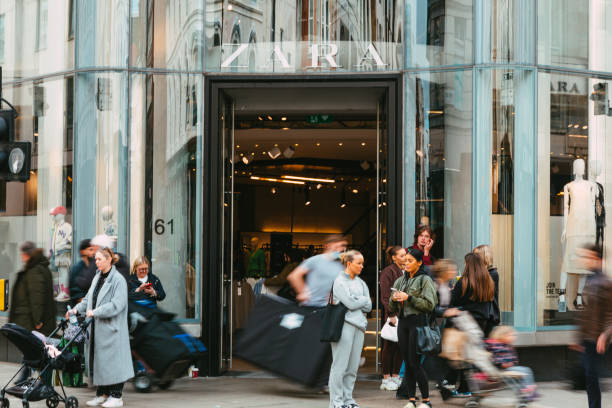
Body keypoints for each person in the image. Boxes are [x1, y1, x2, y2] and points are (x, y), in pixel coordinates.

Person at [67, 247, 134, 408]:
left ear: (109, 259)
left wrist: (96, 312)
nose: (96, 262)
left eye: (99, 259)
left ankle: (116, 396)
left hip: (112, 329)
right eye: (95, 259)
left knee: (113, 364)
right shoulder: (98, 277)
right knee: (100, 363)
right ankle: (102, 394)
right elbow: (89, 298)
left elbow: (117, 305)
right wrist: (76, 309)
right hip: (98, 328)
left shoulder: (118, 280)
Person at [389, 248, 438, 408]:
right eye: (405, 261)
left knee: (414, 362)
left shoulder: (425, 280)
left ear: (419, 262)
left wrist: (409, 297)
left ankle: (426, 401)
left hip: (417, 323)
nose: (406, 264)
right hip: (403, 323)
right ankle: (411, 399)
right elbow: (391, 305)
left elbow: (430, 305)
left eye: (410, 261)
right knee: (408, 362)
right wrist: (395, 299)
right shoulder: (400, 280)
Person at [328, 250, 371, 408]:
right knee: (340, 366)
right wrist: (361, 300)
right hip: (343, 326)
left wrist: (357, 300)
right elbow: (352, 304)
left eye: (362, 263)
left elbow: (369, 305)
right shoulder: (339, 281)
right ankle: (336, 402)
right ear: (349, 264)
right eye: (359, 263)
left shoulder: (361, 283)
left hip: (359, 326)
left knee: (352, 367)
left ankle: (348, 400)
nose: (362, 266)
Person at [9, 241, 56, 384]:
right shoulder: (39, 267)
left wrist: (37, 321)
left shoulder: (35, 269)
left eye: (22, 254)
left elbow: (37, 297)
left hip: (36, 321)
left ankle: (41, 382)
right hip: (35, 319)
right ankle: (29, 378)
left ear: (26, 255)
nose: (21, 257)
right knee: (36, 350)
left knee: (38, 350)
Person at [573, 244, 612, 408]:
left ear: (598, 259)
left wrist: (604, 335)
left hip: (598, 339)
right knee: (590, 377)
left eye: (588, 257)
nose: (585, 260)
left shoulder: (605, 282)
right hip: (588, 338)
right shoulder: (590, 279)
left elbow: (610, 314)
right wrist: (578, 338)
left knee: (592, 376)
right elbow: (586, 313)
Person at [288, 235, 347, 307]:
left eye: (344, 246)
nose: (343, 248)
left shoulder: (340, 265)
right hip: (311, 305)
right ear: (329, 245)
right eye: (341, 245)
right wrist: (302, 292)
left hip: (328, 307)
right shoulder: (315, 260)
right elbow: (294, 276)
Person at [447, 253, 497, 337]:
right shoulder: (488, 281)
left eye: (465, 263)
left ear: (468, 264)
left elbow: (454, 301)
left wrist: (452, 291)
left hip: (466, 320)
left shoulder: (464, 281)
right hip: (482, 320)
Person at [379, 245, 406, 391]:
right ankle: (385, 378)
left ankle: (395, 375)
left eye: (405, 255)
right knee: (389, 346)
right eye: (401, 255)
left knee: (400, 346)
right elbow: (384, 296)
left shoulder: (406, 270)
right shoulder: (388, 272)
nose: (405, 258)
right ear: (394, 257)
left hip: (405, 313)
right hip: (393, 313)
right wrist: (391, 314)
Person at [485, 326, 537, 401]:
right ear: (502, 335)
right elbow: (492, 358)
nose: (514, 337)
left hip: (509, 367)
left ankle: (527, 390)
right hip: (501, 368)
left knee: (526, 371)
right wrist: (500, 364)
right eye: (511, 335)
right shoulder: (495, 345)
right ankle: (526, 390)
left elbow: (513, 357)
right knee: (526, 371)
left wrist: (513, 363)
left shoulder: (507, 345)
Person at [431, 259, 458, 400]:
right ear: (444, 271)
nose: (454, 272)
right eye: (452, 269)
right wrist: (445, 312)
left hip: (442, 324)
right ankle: (442, 385)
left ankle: (443, 384)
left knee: (436, 356)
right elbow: (431, 307)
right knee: (432, 356)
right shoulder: (434, 285)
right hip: (433, 324)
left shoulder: (447, 284)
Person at [69, 239, 97, 307]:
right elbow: (73, 290)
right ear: (83, 251)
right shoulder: (76, 268)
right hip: (81, 307)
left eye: (93, 250)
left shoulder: (96, 265)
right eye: (90, 250)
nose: (93, 252)